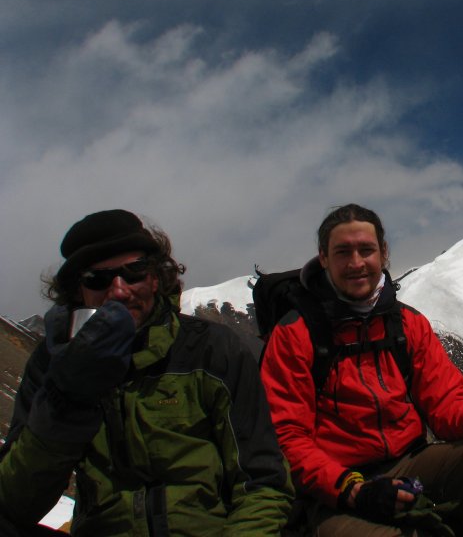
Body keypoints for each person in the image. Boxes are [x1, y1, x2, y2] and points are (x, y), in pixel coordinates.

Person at [260, 204, 463, 536]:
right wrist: (353, 489)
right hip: (336, 487)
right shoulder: (295, 334)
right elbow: (288, 438)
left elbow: (443, 400)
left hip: (411, 465)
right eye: (343, 252)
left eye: (366, 250)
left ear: (384, 254)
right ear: (324, 258)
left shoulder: (407, 324)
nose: (356, 263)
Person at [0, 209, 294, 536]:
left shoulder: (211, 349)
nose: (120, 290)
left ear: (156, 276)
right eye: (98, 279)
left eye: (135, 272)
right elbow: (15, 502)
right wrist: (67, 398)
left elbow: (262, 481)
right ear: (77, 290)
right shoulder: (54, 364)